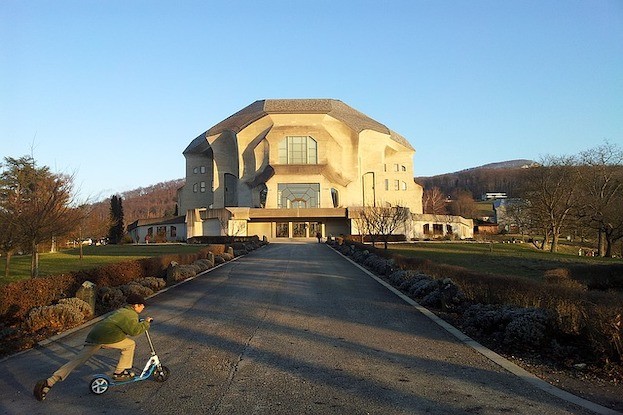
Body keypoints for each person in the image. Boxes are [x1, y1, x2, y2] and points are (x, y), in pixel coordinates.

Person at [33, 293, 153, 401]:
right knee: (130, 344)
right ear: (136, 305)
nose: (143, 308)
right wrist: (146, 322)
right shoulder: (130, 314)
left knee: (77, 361)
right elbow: (134, 331)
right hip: (105, 339)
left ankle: (49, 382)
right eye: (142, 305)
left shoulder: (122, 311)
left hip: (94, 337)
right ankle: (119, 372)